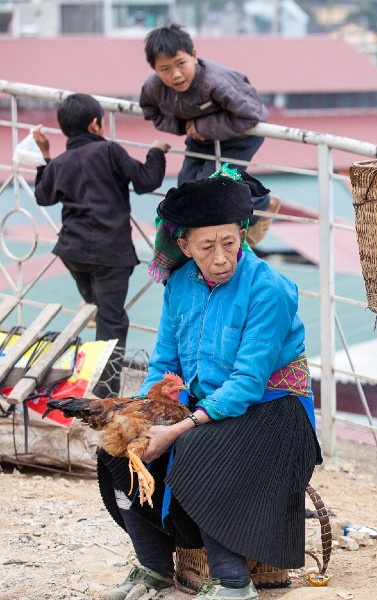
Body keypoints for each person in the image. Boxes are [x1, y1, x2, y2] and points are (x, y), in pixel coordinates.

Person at [97, 173, 321, 600]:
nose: (221, 257)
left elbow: (247, 384)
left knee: (199, 450)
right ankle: (155, 567)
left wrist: (177, 430)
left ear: (242, 236)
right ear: (183, 247)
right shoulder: (179, 285)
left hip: (274, 410)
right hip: (209, 408)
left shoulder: (268, 288)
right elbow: (164, 361)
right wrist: (149, 411)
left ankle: (233, 583)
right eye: (206, 246)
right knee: (116, 446)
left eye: (230, 243)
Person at [33, 93, 170, 396]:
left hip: (72, 251)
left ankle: (92, 314)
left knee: (97, 305)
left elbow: (43, 196)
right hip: (111, 254)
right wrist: (156, 152)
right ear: (95, 124)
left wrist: (45, 157)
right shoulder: (109, 151)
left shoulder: (59, 162)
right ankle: (104, 395)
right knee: (112, 321)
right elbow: (146, 181)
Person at [140, 23, 280, 246]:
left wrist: (203, 126)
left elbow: (252, 115)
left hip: (238, 138)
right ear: (155, 70)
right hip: (199, 138)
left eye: (181, 64)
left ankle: (260, 203)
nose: (175, 74)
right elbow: (151, 112)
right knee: (186, 186)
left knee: (213, 187)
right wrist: (183, 125)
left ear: (194, 56)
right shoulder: (153, 87)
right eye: (165, 69)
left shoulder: (216, 82)